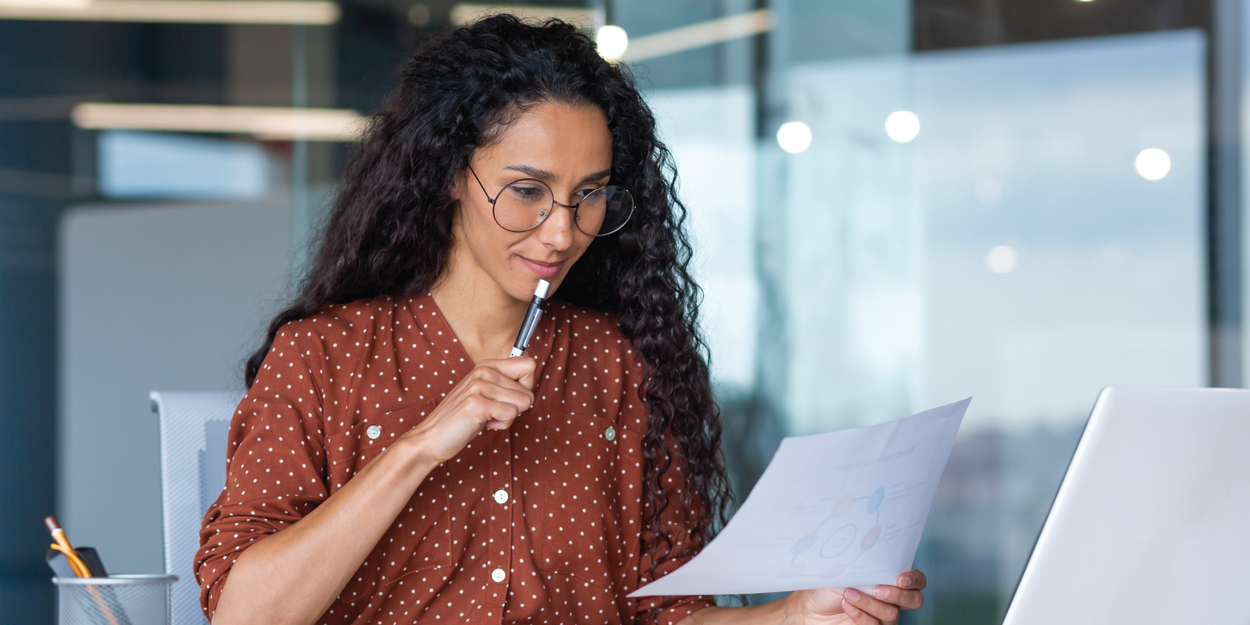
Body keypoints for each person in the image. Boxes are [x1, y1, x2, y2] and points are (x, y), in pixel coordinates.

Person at [195, 15, 926, 625]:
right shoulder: (326, 356)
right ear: (451, 172)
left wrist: (799, 612)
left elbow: (665, 613)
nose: (560, 232)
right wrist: (418, 448)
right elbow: (241, 611)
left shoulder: (619, 365)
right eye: (526, 191)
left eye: (589, 195)